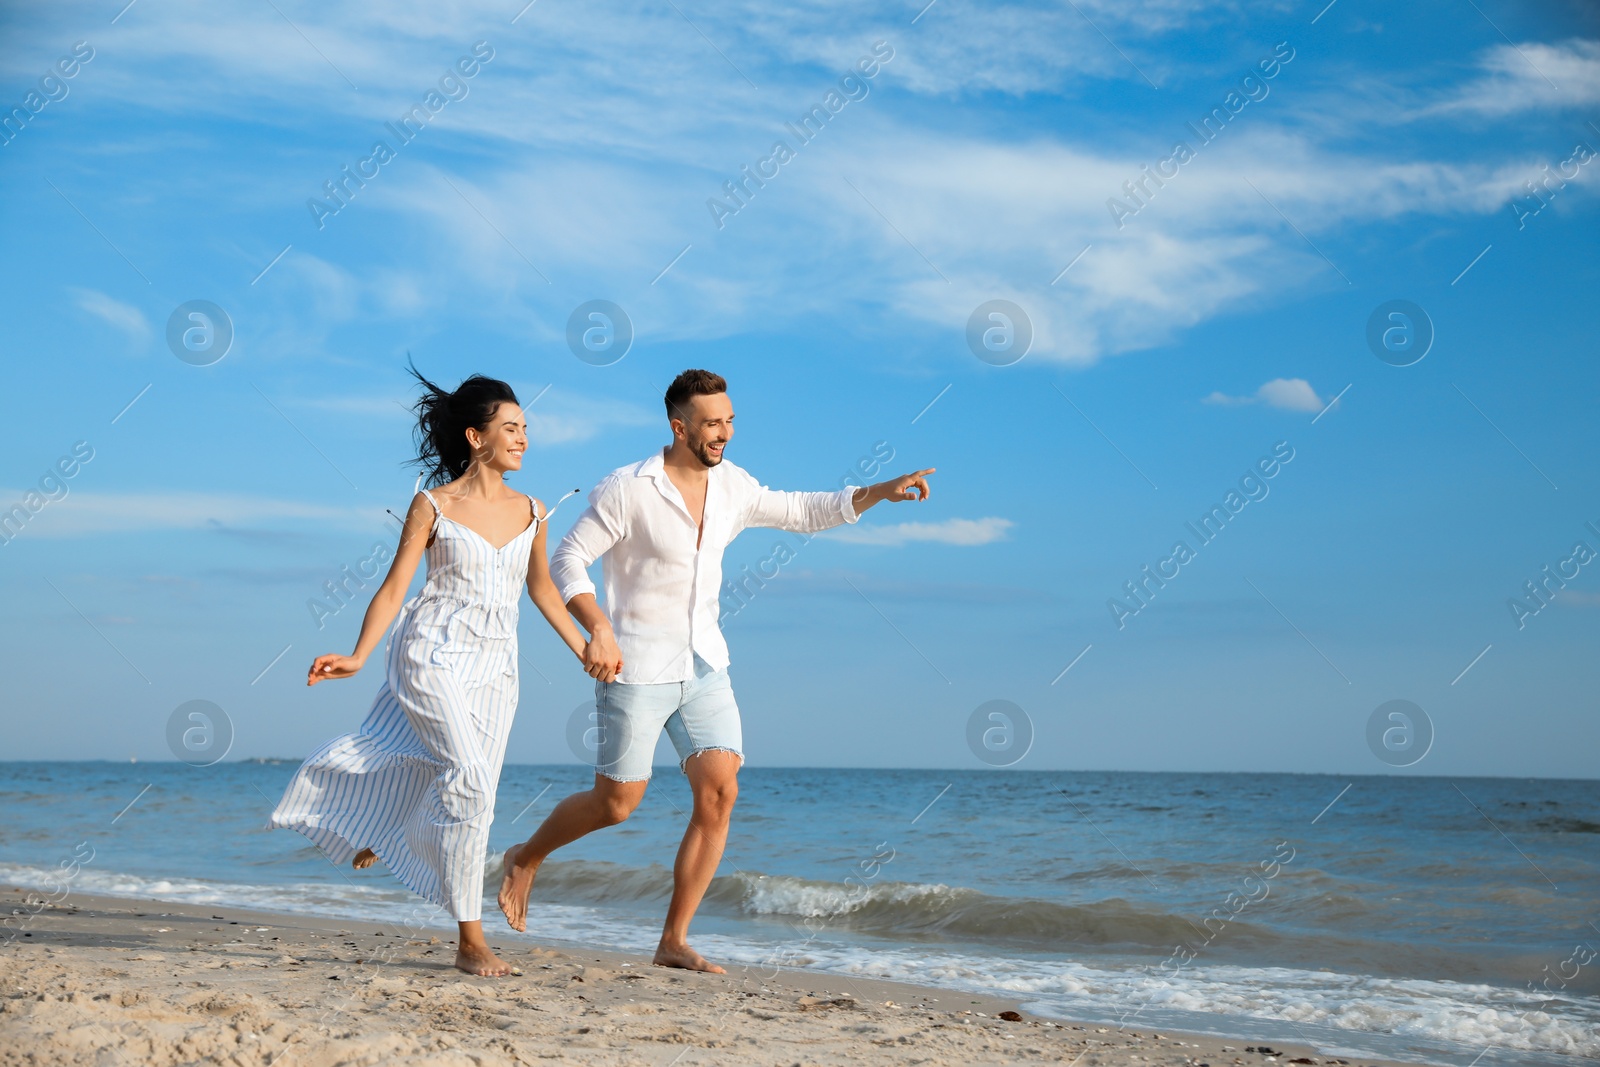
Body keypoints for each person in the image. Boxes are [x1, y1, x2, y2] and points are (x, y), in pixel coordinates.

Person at [498, 368, 934, 972]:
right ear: (680, 427)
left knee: (720, 793)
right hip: (637, 665)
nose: (724, 433)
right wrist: (597, 624)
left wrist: (878, 491)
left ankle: (673, 939)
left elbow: (802, 510)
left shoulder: (733, 486)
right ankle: (526, 855)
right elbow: (570, 559)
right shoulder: (628, 488)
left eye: (730, 421)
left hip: (705, 663)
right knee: (617, 804)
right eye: (712, 423)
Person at [269, 368, 599, 977]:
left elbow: (543, 590)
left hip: (497, 665)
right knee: (467, 774)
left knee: (476, 790)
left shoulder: (533, 510)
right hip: (431, 650)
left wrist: (584, 648)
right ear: (476, 437)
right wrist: (360, 653)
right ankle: (470, 940)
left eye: (526, 428)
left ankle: (389, 829)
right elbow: (396, 587)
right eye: (511, 428)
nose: (524, 438)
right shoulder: (433, 504)